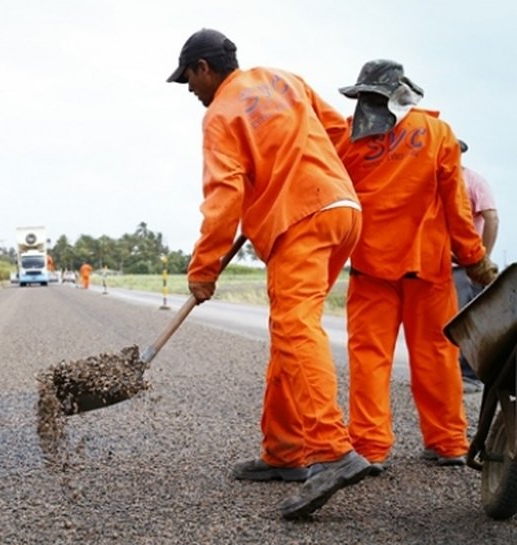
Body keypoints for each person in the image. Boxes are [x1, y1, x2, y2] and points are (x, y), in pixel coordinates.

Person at [167, 28, 370, 520]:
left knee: (295, 327)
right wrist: (304, 169)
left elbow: (223, 199)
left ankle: (332, 452)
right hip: (342, 210)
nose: (190, 90)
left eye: (189, 80)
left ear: (203, 68)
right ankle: (284, 451)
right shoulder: (283, 79)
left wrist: (204, 268)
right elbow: (341, 132)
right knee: (288, 330)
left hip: (301, 220)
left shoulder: (220, 115)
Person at [336, 60, 498, 472]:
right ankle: (447, 443)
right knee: (437, 355)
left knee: (369, 358)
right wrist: (475, 259)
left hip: (370, 268)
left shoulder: (346, 140)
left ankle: (370, 449)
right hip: (427, 267)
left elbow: (334, 201)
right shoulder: (438, 134)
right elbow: (456, 208)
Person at [452, 139, 499, 393]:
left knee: (466, 318)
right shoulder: (437, 179)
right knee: (444, 321)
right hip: (440, 262)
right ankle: (447, 373)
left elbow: (491, 217)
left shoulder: (474, 182)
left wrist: (483, 258)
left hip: (466, 264)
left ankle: (469, 375)